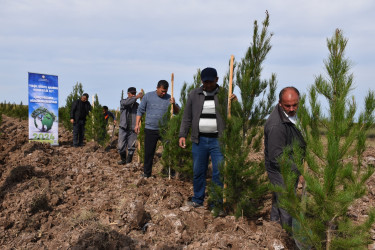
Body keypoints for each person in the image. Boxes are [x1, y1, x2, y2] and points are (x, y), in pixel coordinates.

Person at [179, 67, 236, 209]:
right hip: (199, 140)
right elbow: (187, 117)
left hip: (219, 140)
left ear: (217, 80)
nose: (208, 85)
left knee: (219, 171)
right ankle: (197, 199)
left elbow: (234, 116)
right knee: (198, 171)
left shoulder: (224, 94)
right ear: (201, 81)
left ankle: (216, 203)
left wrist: (234, 103)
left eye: (211, 82)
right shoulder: (194, 94)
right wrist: (182, 134)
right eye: (205, 82)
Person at [264, 86, 306, 229]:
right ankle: (288, 235)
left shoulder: (293, 116)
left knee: (279, 200)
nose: (292, 108)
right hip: (279, 169)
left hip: (290, 164)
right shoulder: (276, 125)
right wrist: (298, 170)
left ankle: (273, 230)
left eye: (295, 105)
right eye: (287, 106)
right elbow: (276, 157)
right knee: (288, 203)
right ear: (280, 103)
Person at [135, 80, 180, 178]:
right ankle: (147, 173)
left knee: (169, 150)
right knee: (149, 152)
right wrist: (137, 124)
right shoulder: (148, 96)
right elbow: (140, 111)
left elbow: (177, 112)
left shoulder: (170, 98)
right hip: (150, 128)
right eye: (162, 91)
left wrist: (174, 104)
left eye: (165, 91)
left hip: (165, 130)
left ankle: (170, 172)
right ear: (157, 88)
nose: (164, 93)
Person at [118, 87, 143, 165]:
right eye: (132, 93)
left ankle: (128, 162)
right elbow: (127, 103)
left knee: (131, 146)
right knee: (120, 146)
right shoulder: (123, 101)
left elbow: (142, 111)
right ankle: (123, 159)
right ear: (128, 94)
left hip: (133, 128)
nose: (133, 95)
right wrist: (137, 97)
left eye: (134, 93)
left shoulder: (137, 105)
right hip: (123, 127)